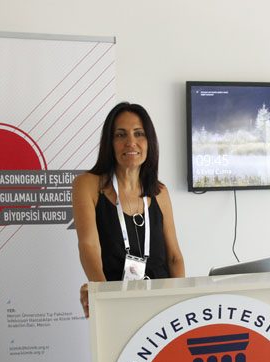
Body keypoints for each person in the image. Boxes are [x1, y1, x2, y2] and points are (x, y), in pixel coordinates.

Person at [72, 102, 185, 317]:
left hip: (162, 308)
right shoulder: (87, 185)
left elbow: (174, 258)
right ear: (110, 143)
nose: (131, 142)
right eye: (121, 135)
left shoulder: (160, 191)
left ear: (149, 141)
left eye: (139, 134)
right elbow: (88, 246)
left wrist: (178, 303)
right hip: (116, 306)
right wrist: (103, 297)